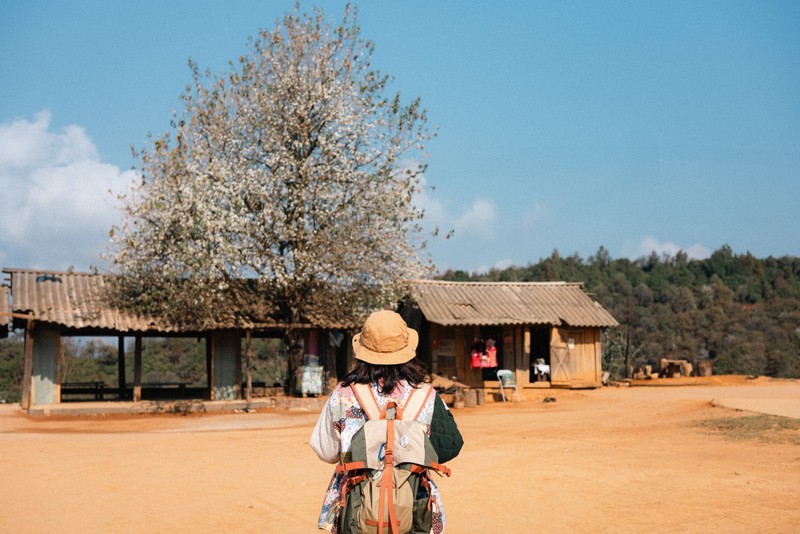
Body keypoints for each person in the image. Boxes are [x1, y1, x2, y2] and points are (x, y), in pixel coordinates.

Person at [310, 310, 464, 533]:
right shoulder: (426, 395)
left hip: (356, 510)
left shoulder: (343, 394)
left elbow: (325, 450)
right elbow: (451, 445)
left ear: (362, 350)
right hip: (413, 508)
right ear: (407, 349)